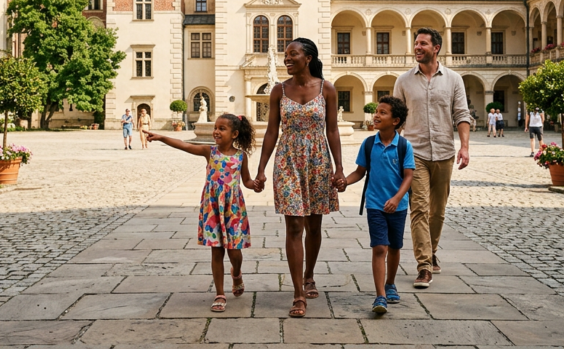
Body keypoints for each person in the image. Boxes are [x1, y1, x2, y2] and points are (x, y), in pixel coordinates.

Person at [254, 38, 345, 318]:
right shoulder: (278, 91)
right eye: (285, 55)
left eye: (293, 54)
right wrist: (261, 169)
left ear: (308, 57)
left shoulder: (326, 88)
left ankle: (309, 274)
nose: (287, 59)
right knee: (294, 225)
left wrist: (339, 168)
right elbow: (271, 131)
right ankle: (297, 293)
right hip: (288, 159)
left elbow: (332, 131)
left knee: (314, 226)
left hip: (318, 160)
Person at [146, 114, 256, 313]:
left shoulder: (241, 156)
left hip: (233, 209)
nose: (216, 131)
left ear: (235, 134)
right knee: (216, 250)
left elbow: (246, 180)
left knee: (234, 251)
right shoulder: (210, 152)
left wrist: (255, 184)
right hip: (213, 208)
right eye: (215, 127)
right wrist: (162, 138)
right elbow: (185, 145)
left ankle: (237, 273)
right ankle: (220, 293)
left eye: (222, 128)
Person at [393, 28, 471, 287]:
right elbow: (396, 120)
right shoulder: (403, 81)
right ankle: (424, 265)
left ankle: (431, 249)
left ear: (436, 47)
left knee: (437, 212)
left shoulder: (453, 79)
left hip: (445, 152)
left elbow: (461, 113)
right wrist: (390, 149)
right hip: (414, 154)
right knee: (419, 210)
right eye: (416, 43)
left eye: (423, 43)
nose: (417, 47)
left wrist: (465, 147)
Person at [344, 96, 414, 314]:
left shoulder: (403, 146)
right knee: (379, 247)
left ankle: (390, 283)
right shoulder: (368, 144)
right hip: (375, 204)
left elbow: (409, 176)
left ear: (396, 120)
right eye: (377, 111)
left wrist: (396, 198)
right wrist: (344, 182)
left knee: (394, 247)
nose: (376, 115)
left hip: (398, 206)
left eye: (383, 112)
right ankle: (380, 296)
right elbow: (359, 172)